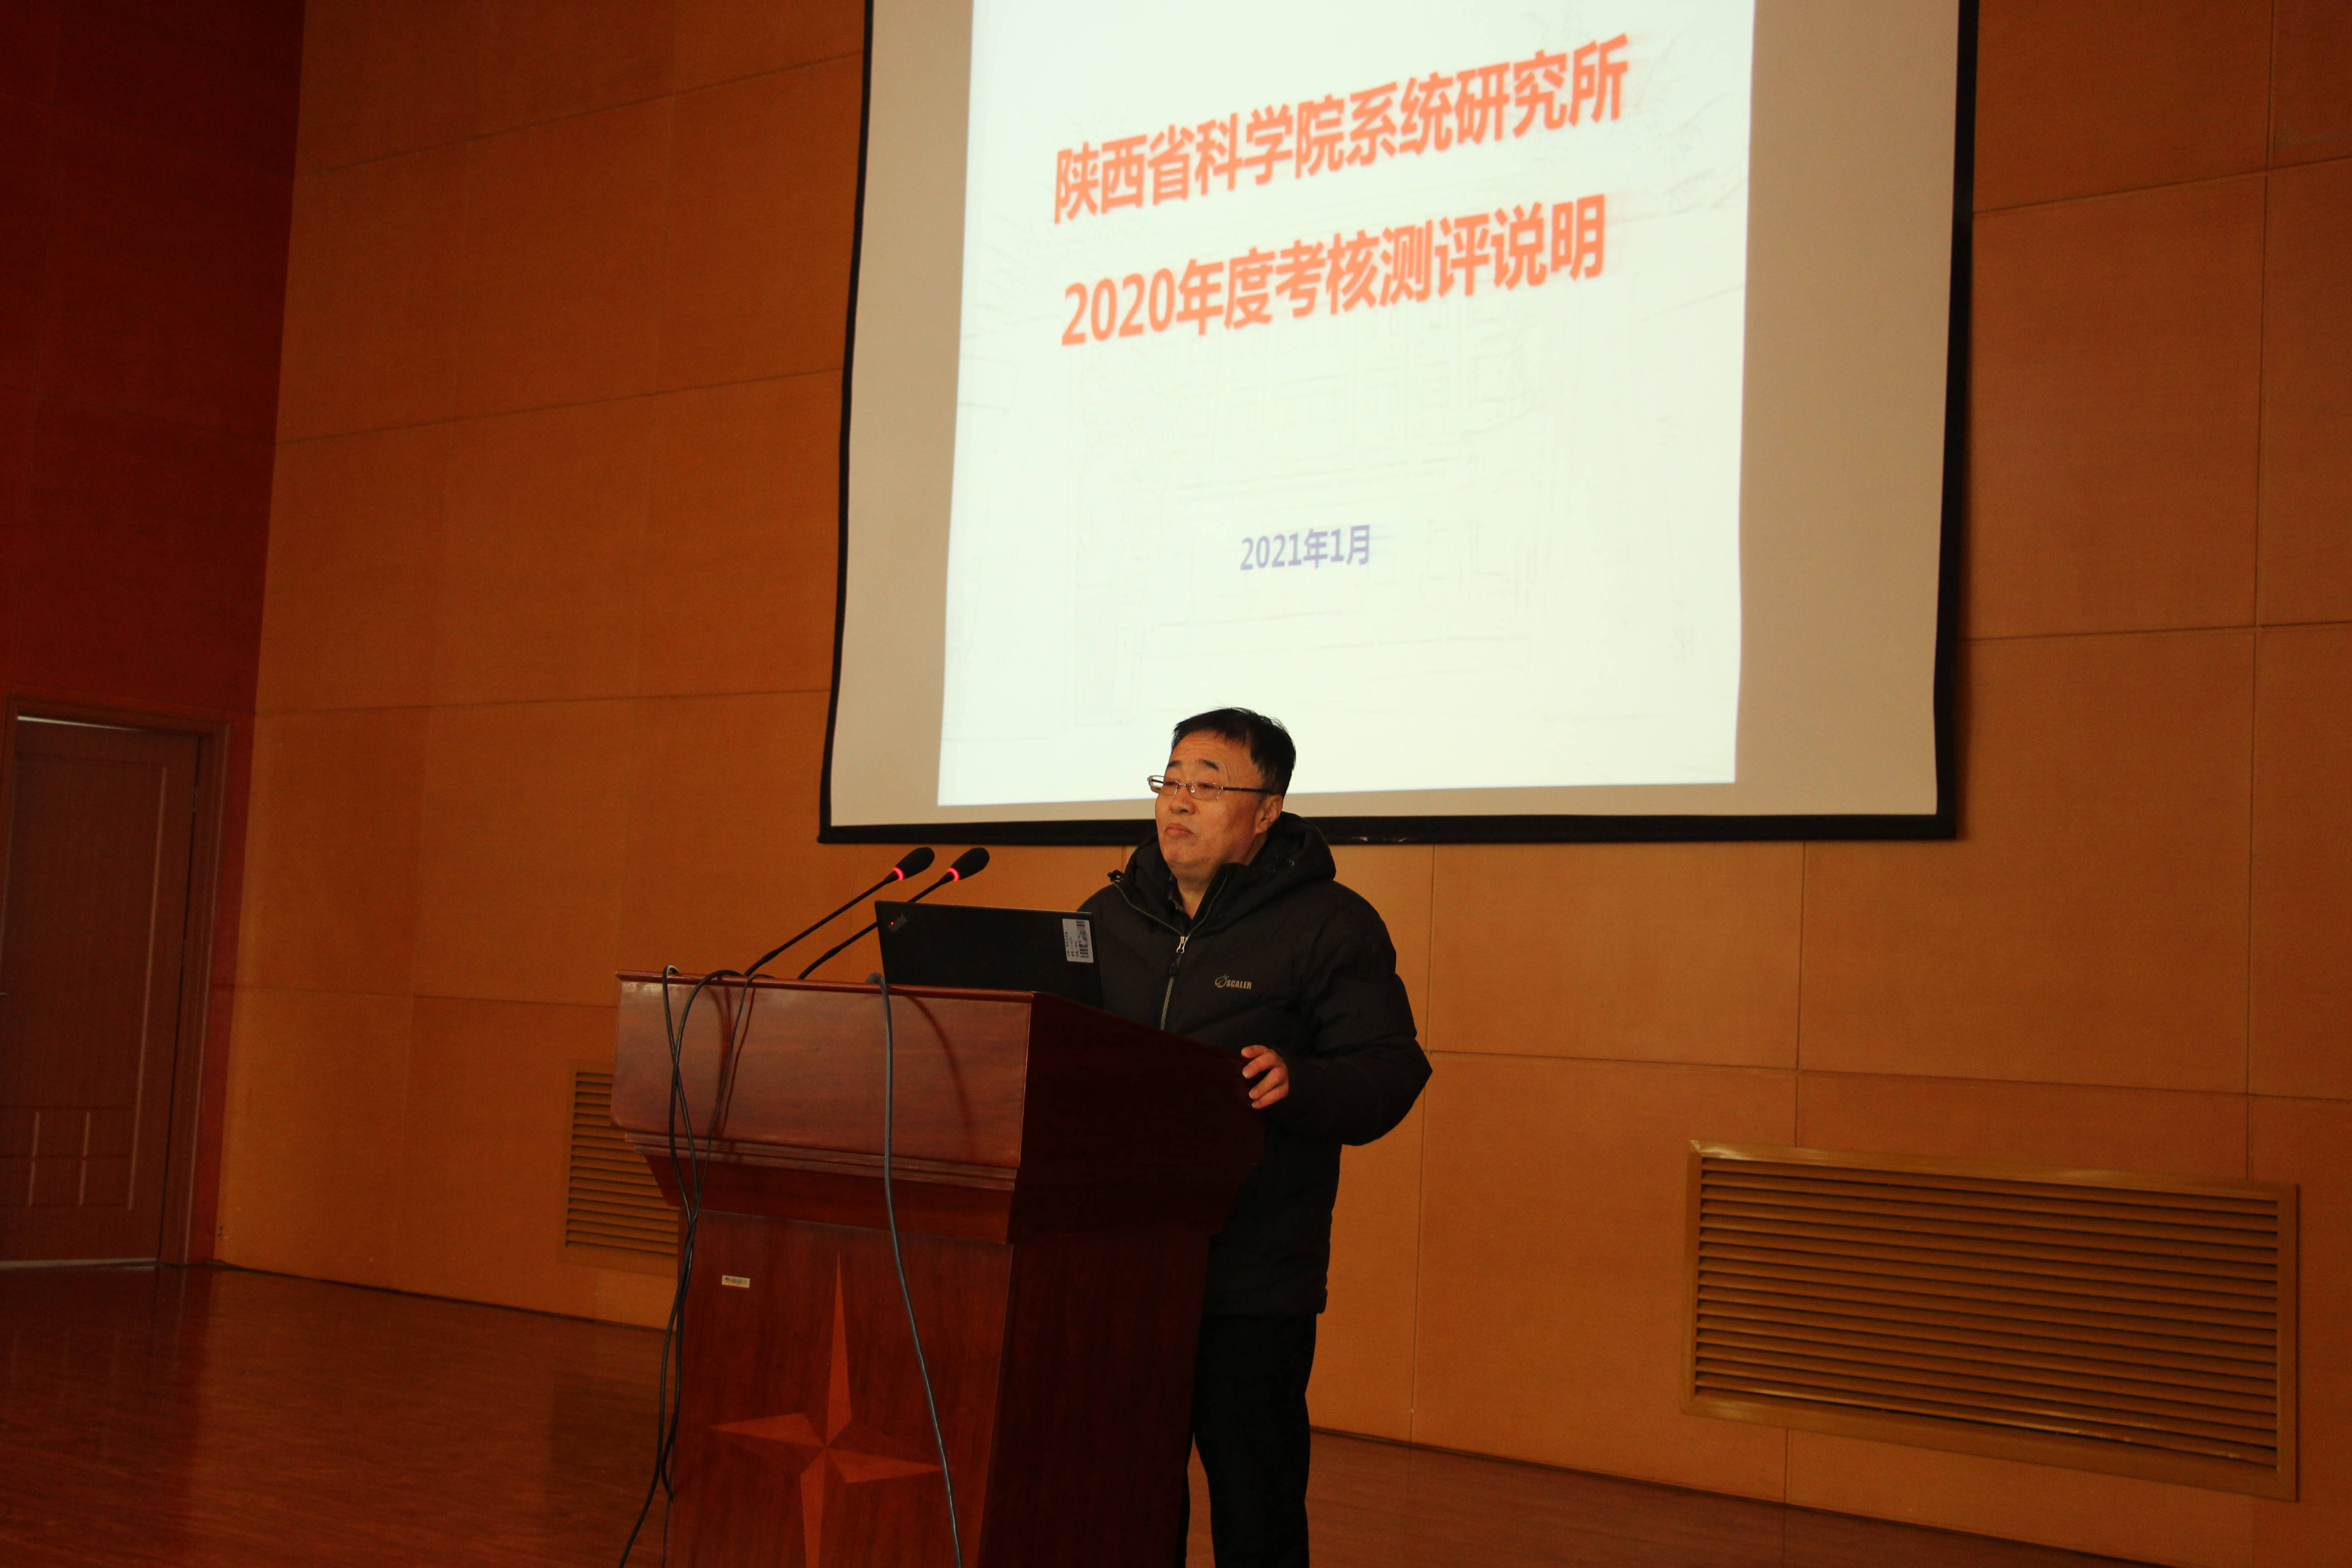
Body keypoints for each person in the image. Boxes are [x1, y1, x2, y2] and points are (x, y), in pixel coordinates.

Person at [1079, 708, 1431, 1568]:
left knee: (1255, 1501)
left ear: (1267, 810)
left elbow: (1391, 1068)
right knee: (1124, 1494)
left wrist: (1300, 1082)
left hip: (1253, 1270)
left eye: (1206, 786)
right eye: (1170, 781)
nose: (1178, 803)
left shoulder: (1329, 923)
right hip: (1122, 1265)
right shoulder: (1107, 916)